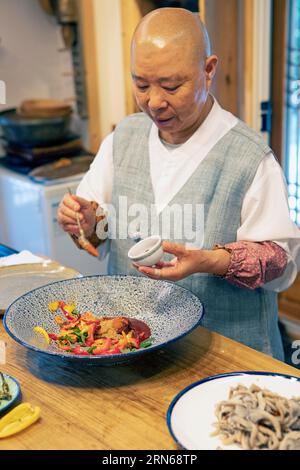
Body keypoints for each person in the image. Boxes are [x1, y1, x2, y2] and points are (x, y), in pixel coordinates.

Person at [57, 8, 300, 360]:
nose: (154, 101)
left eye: (171, 86)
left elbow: (281, 264)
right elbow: (100, 233)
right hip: (134, 353)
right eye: (141, 84)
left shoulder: (249, 158)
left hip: (225, 360)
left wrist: (212, 260)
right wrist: (87, 223)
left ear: (209, 70)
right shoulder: (123, 138)